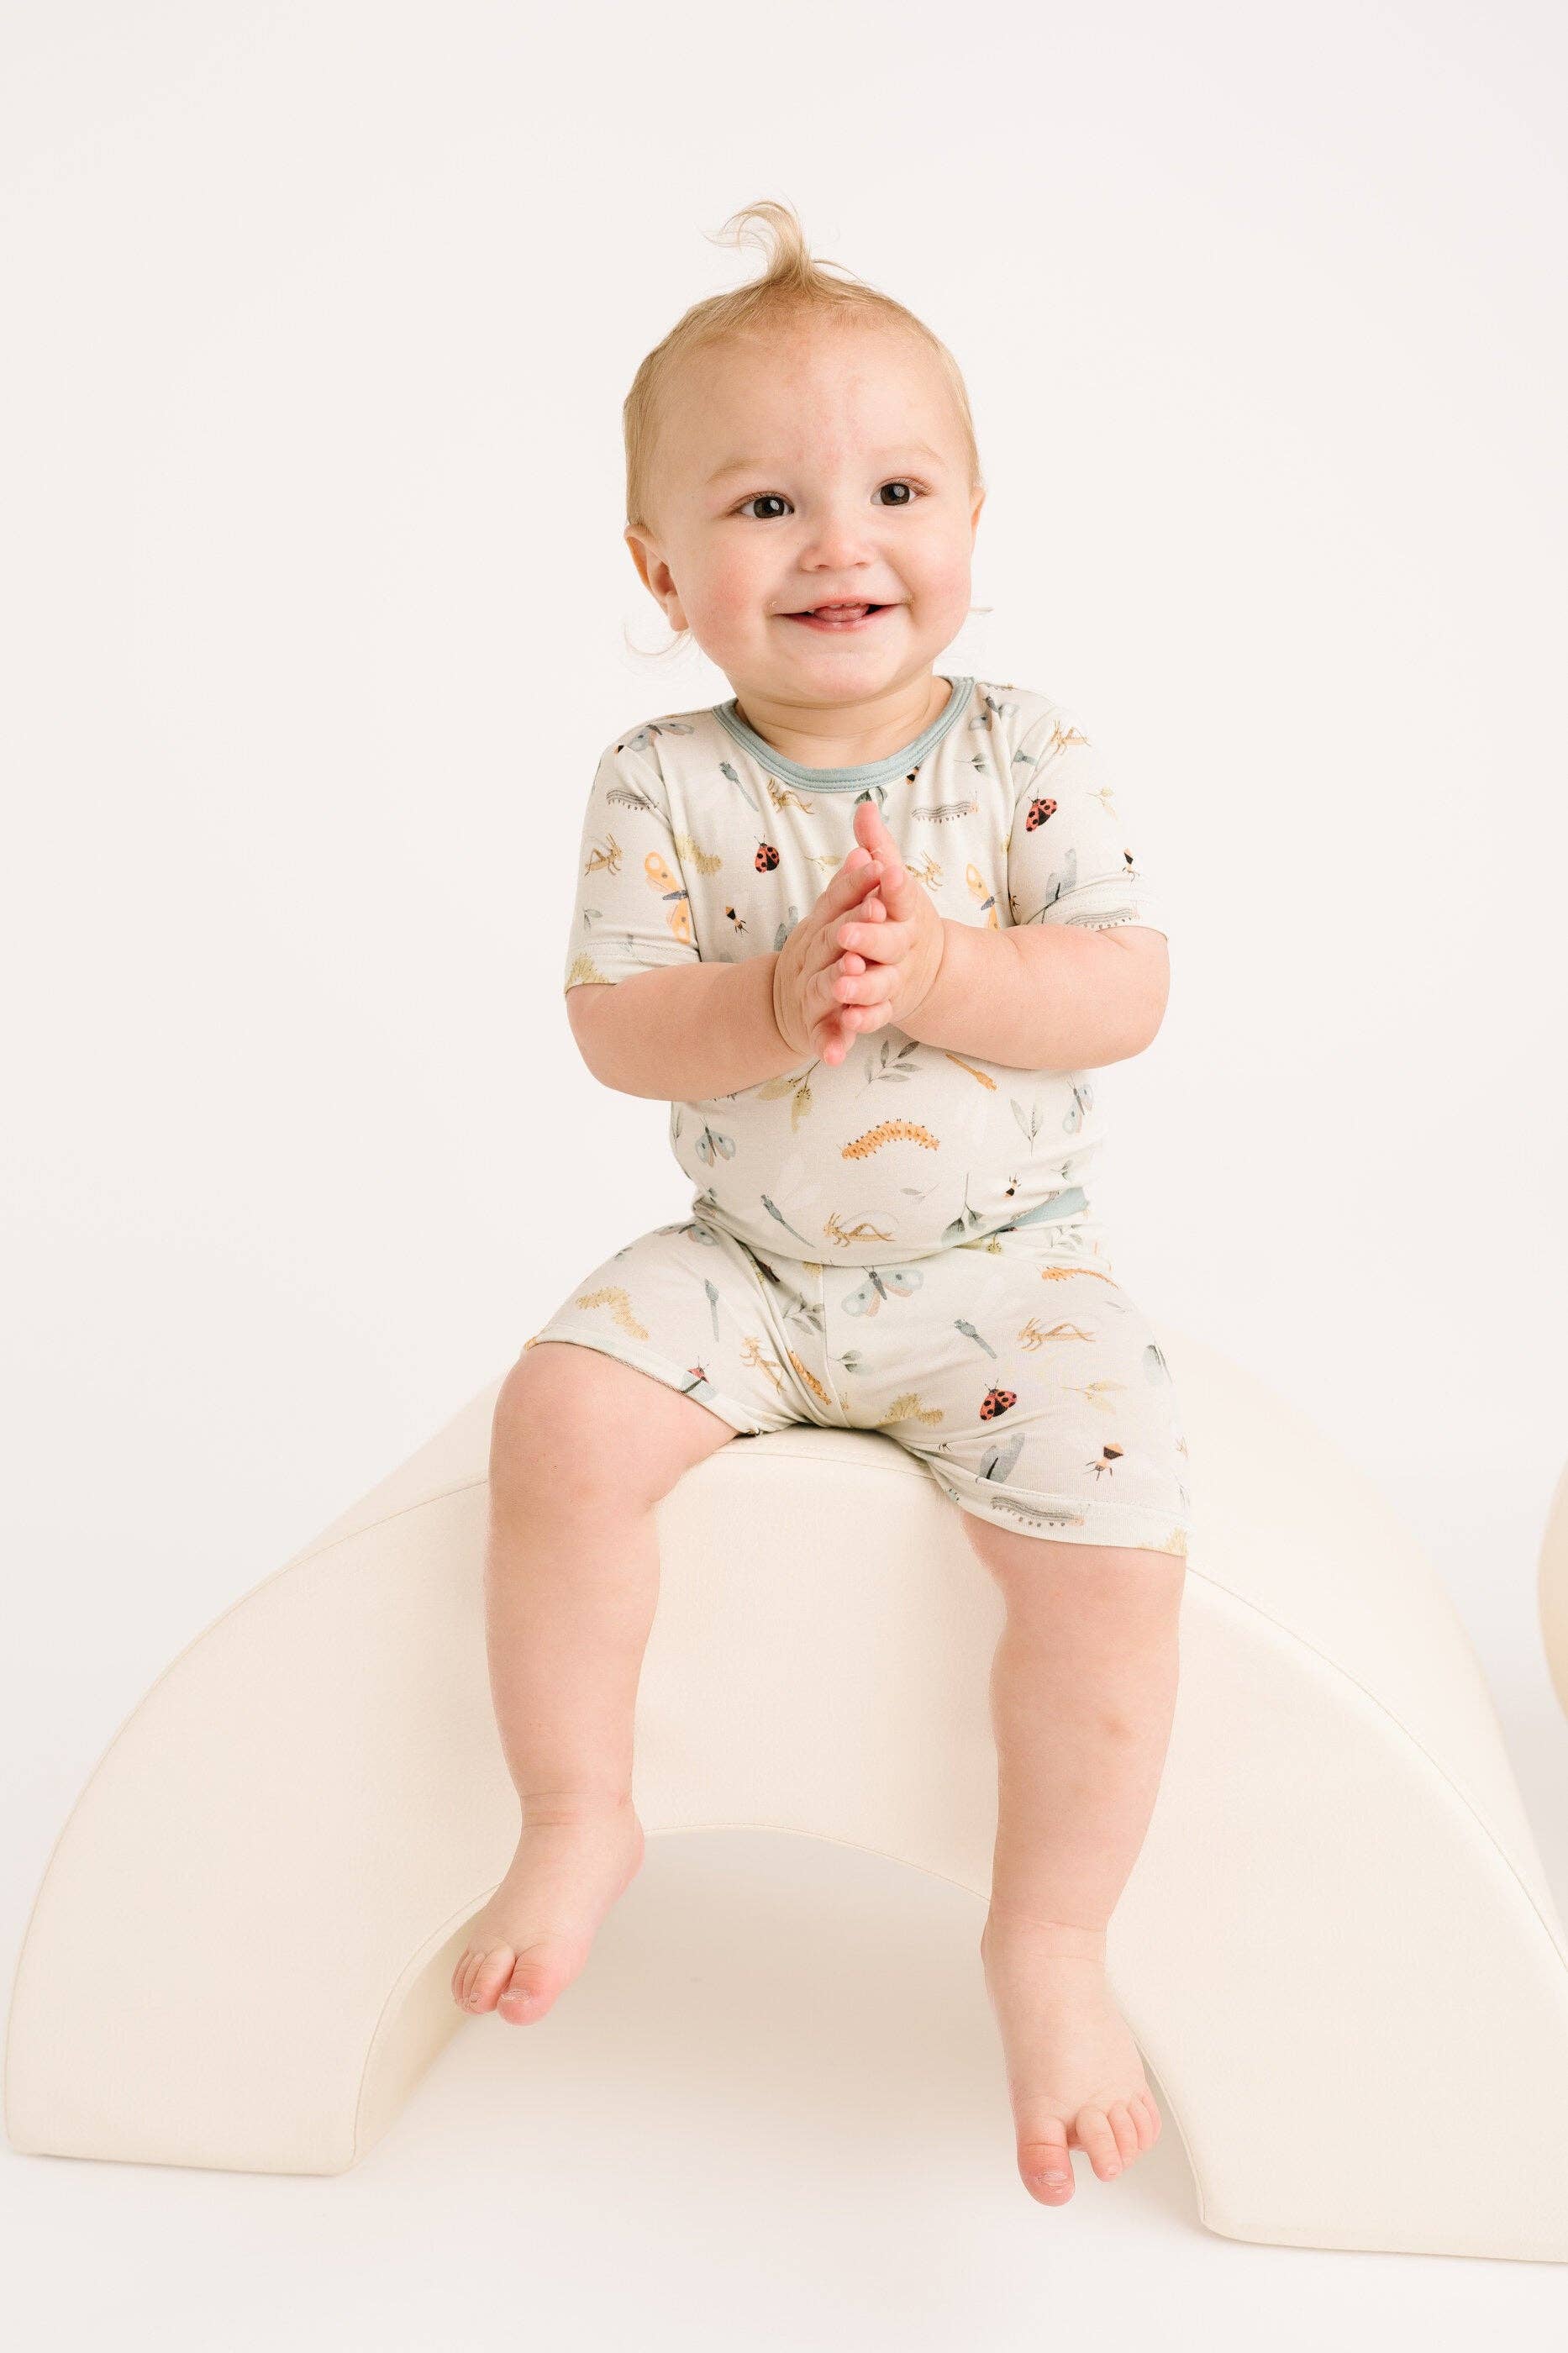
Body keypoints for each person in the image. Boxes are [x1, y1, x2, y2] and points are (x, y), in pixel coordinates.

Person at [451, 197, 1192, 2209]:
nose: (839, 542)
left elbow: (1122, 985)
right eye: (768, 501)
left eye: (892, 488)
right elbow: (618, 1026)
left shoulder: (1028, 756)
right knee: (563, 1413)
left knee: (1122, 1524)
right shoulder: (664, 781)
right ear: (662, 568)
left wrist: (949, 973)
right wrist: (770, 1000)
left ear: (971, 518)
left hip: (1002, 1277)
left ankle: (1049, 1934)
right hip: (756, 1269)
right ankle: (579, 1801)